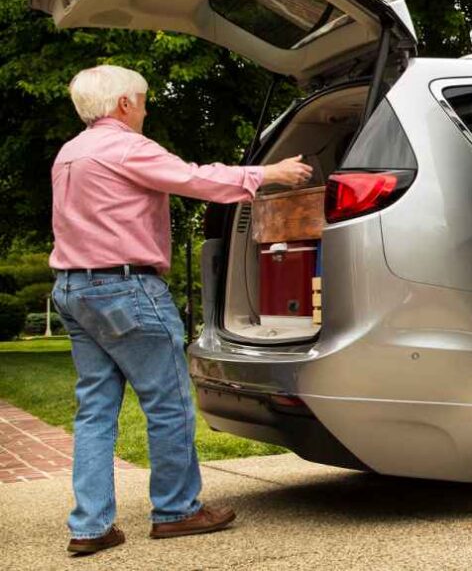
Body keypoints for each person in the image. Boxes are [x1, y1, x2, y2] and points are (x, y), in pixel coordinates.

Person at [50, 65, 312, 555]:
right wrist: (268, 173)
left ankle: (90, 526)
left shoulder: (70, 152)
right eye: (143, 100)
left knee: (95, 412)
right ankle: (176, 511)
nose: (146, 109)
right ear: (124, 103)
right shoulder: (126, 146)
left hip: (73, 289)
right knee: (167, 404)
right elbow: (192, 178)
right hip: (125, 289)